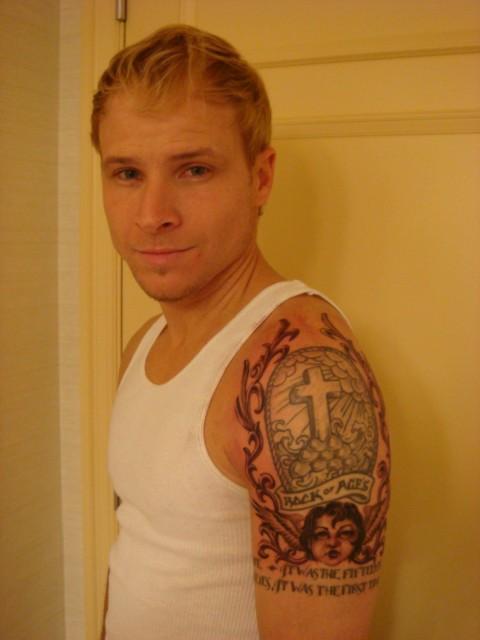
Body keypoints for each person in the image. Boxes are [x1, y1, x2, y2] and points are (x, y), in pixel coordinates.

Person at [91, 24, 390, 640]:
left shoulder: (299, 372)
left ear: (260, 178)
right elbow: (134, 557)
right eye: (127, 174)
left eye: (194, 169)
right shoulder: (143, 343)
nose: (152, 214)